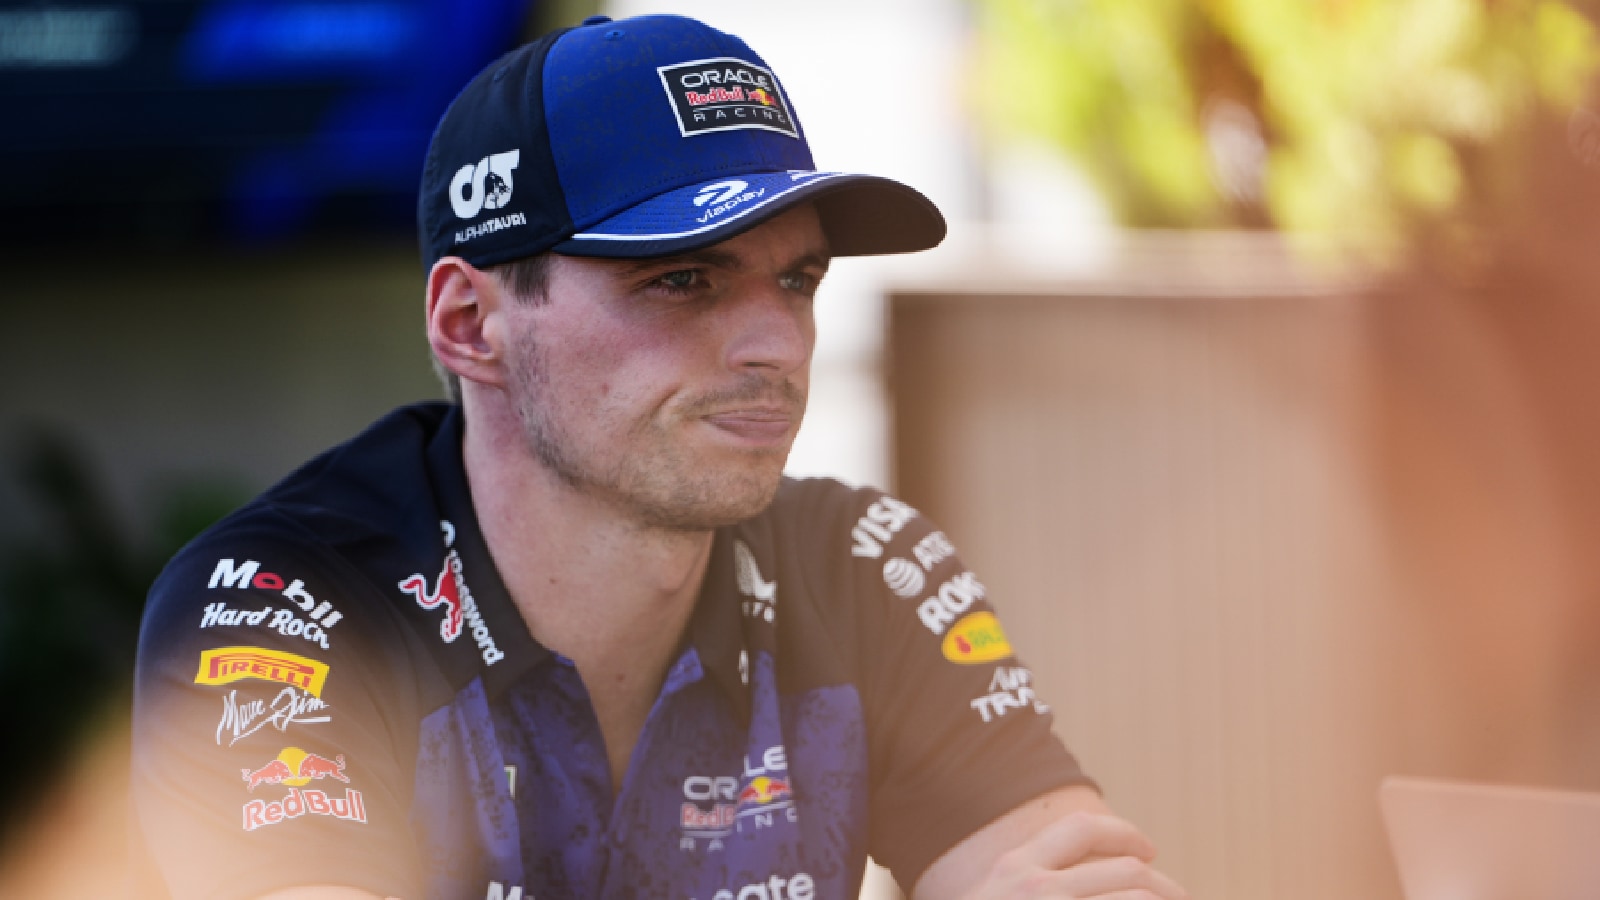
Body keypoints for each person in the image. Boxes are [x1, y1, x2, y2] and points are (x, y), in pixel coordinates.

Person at [132, 13, 1189, 900]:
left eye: (797, 281)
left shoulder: (866, 568)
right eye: (682, 281)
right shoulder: (283, 606)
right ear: (469, 324)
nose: (776, 343)